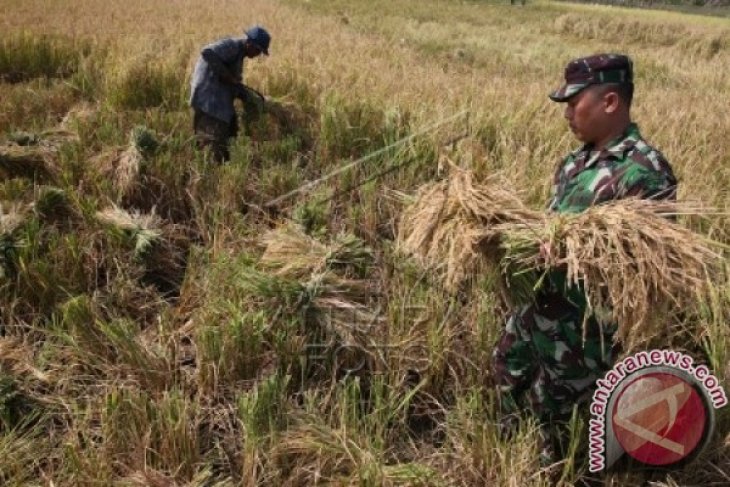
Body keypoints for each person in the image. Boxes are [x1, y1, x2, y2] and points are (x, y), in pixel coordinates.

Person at [491, 54, 678, 466]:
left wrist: (571, 251)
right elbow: (552, 225)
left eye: (574, 104)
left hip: (583, 333)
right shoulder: (576, 162)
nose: (567, 115)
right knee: (511, 379)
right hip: (534, 315)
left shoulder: (645, 173)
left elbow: (650, 266)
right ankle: (511, 466)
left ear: (610, 102)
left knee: (567, 428)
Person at [189, 26, 271, 163]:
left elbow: (233, 85)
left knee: (230, 133)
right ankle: (209, 170)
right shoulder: (233, 45)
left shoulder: (239, 55)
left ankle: (221, 166)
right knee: (212, 141)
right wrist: (228, 76)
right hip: (209, 98)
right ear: (249, 43)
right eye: (258, 50)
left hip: (218, 100)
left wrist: (249, 97)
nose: (258, 54)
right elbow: (207, 53)